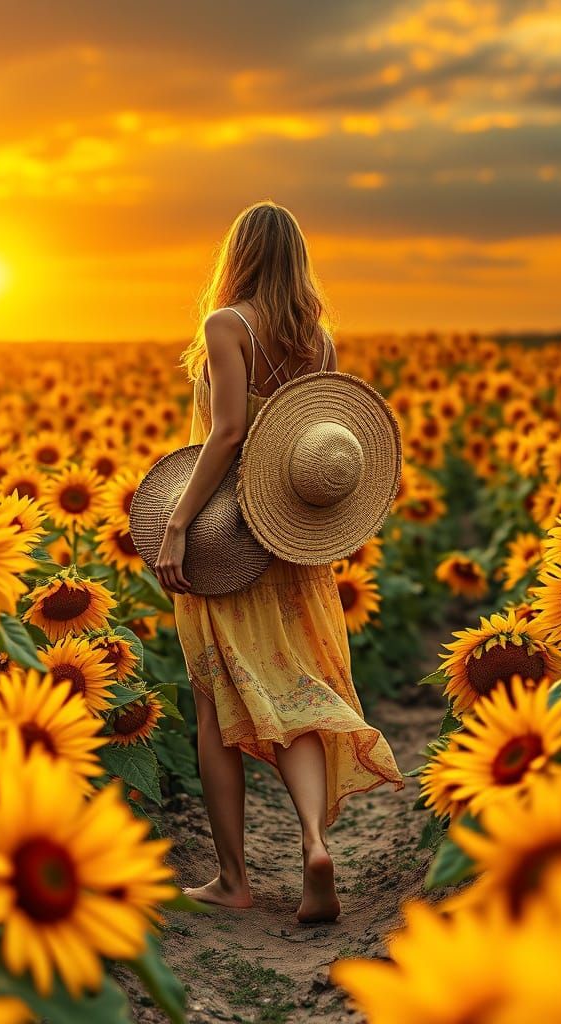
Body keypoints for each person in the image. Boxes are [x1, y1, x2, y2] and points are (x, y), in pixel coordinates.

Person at [155, 200, 404, 924]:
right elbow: (316, 436)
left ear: (239, 254)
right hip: (296, 543)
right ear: (297, 259)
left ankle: (233, 879)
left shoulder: (225, 326)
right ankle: (314, 843)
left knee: (213, 708)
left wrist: (176, 523)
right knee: (296, 700)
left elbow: (229, 430)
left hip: (229, 538)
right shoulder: (318, 341)